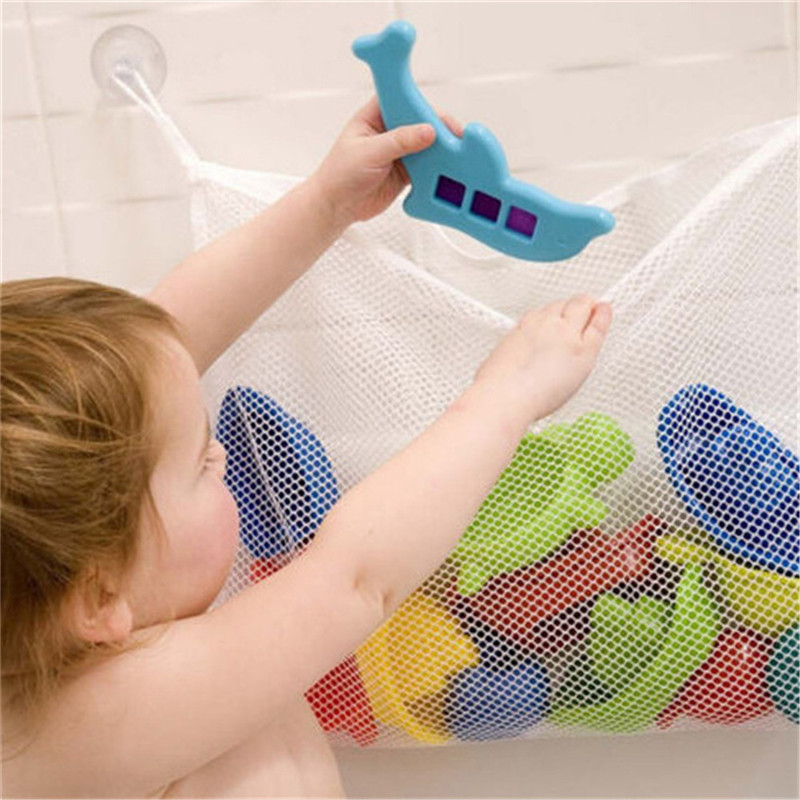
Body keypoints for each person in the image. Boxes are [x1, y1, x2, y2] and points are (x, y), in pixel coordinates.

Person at [1, 96, 612, 798]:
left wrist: (325, 205)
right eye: (200, 464)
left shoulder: (64, 610)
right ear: (100, 593)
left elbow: (161, 349)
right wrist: (507, 397)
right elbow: (353, 578)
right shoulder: (89, 725)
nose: (220, 457)